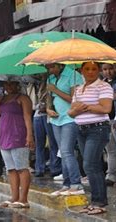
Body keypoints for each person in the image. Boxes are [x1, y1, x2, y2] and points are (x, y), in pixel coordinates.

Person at [68, 61, 113, 215]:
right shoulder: (78, 89)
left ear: (99, 70)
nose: (90, 72)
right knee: (89, 166)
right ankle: (94, 200)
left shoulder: (104, 86)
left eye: (94, 69)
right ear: (81, 70)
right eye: (87, 69)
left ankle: (99, 202)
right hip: (81, 129)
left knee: (90, 164)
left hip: (98, 128)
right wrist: (78, 109)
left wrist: (84, 107)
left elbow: (106, 108)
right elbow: (71, 112)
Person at [0, 77, 34, 208]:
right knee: (11, 169)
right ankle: (14, 197)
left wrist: (29, 135)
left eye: (12, 83)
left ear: (18, 84)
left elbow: (27, 117)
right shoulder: (2, 99)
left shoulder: (23, 98)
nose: (9, 86)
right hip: (4, 136)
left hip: (18, 135)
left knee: (22, 167)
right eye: (6, 83)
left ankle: (24, 199)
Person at [45, 64, 85, 196]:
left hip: (70, 118)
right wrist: (48, 109)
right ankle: (66, 184)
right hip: (56, 118)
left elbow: (74, 100)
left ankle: (76, 183)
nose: (49, 70)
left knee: (67, 151)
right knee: (62, 151)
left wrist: (55, 90)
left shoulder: (73, 75)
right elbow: (49, 98)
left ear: (58, 65)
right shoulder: (51, 78)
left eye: (51, 67)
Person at [28, 73, 61, 178]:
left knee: (52, 143)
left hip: (49, 115)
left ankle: (54, 168)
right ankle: (39, 168)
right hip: (38, 114)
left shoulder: (51, 82)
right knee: (39, 143)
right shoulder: (31, 84)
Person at [101, 63, 116, 185]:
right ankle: (111, 175)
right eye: (105, 69)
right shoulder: (102, 84)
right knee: (110, 150)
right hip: (105, 119)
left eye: (110, 69)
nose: (108, 72)